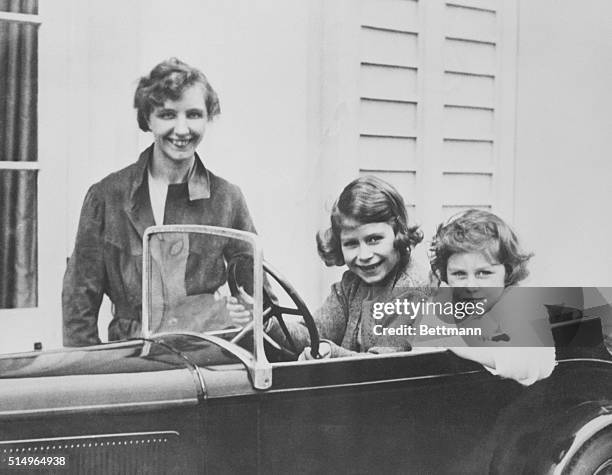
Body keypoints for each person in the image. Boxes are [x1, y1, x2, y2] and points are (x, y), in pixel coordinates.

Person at [63, 58, 252, 347]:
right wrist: (92, 376)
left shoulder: (228, 198)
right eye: (167, 114)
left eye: (193, 114)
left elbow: (257, 296)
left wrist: (230, 314)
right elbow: (79, 306)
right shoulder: (105, 196)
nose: (181, 129)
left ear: (207, 117)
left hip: (206, 360)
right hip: (130, 363)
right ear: (147, 118)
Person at [272, 176, 430, 359]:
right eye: (351, 243)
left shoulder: (414, 289)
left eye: (374, 239)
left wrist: (330, 352)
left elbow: (383, 365)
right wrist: (265, 323)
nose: (364, 255)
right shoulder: (351, 286)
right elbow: (313, 334)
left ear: (398, 232)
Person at [424, 209, 557, 385]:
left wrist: (456, 343)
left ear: (508, 271)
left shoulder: (519, 303)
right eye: (459, 274)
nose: (470, 286)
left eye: (484, 273)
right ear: (445, 276)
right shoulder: (447, 303)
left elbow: (535, 363)